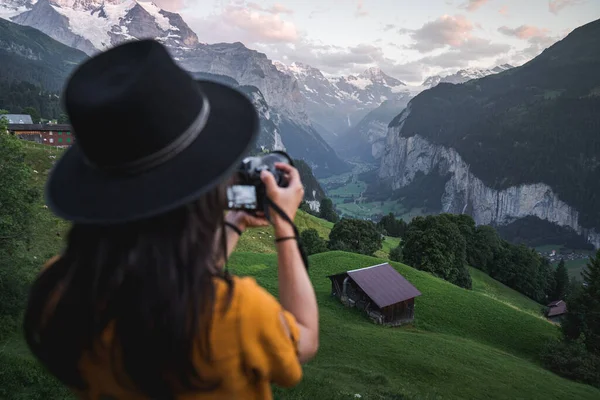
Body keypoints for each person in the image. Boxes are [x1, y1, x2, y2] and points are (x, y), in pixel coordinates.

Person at [23, 39, 319, 399]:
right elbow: (303, 339)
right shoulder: (236, 315)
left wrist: (234, 223)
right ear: (198, 195)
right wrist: (285, 226)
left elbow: (176, 270)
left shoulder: (61, 290)